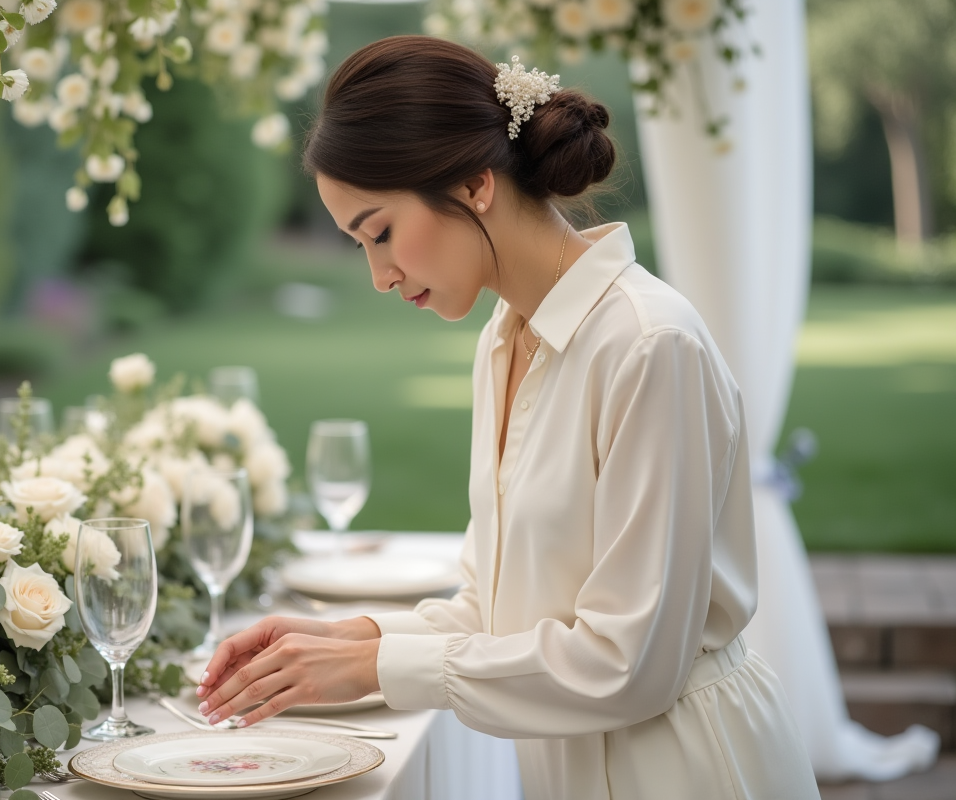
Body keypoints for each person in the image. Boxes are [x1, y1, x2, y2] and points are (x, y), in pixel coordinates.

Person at [195, 35, 820, 800]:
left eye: (380, 232)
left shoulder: (650, 346)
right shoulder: (505, 338)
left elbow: (630, 664)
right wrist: (350, 637)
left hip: (685, 772)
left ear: (474, 185)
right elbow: (498, 607)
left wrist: (373, 667)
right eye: (359, 244)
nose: (380, 275)